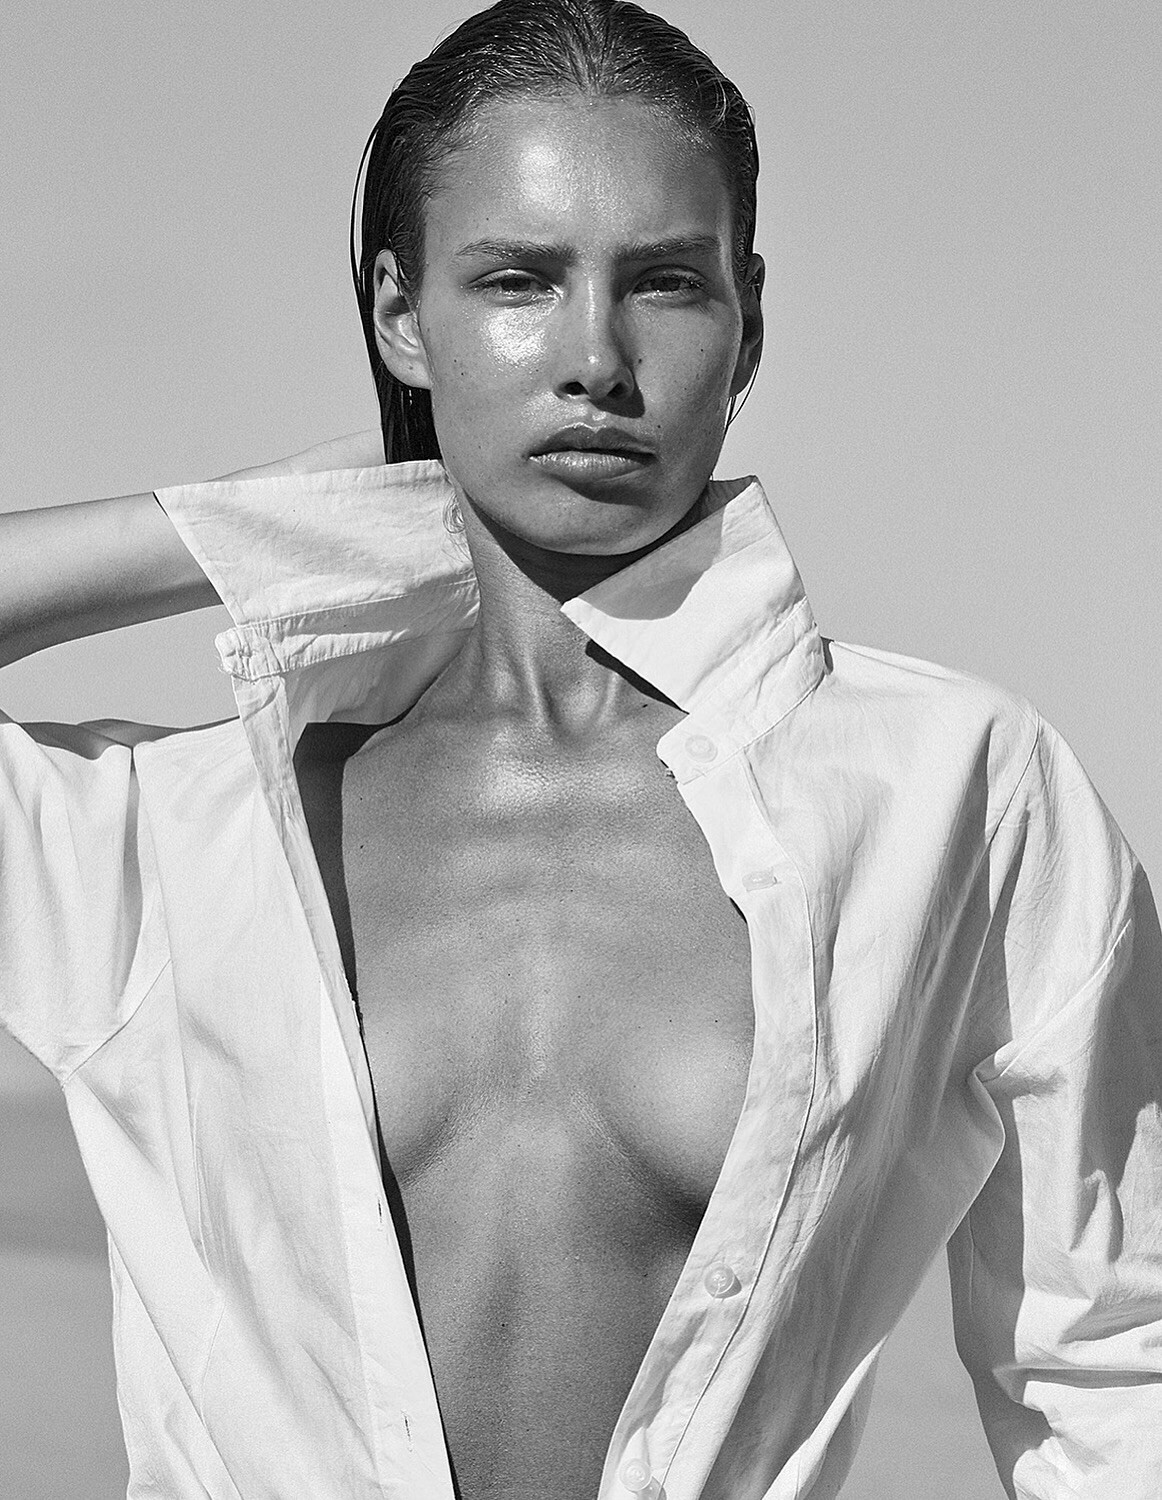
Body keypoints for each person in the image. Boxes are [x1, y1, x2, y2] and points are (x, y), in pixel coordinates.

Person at [1, 1, 1159, 1497]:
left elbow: (1113, 1363)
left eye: (665, 283)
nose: (595, 358)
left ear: (748, 319)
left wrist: (451, 414)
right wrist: (281, 517)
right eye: (516, 282)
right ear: (399, 314)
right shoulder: (176, 838)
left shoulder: (955, 794)